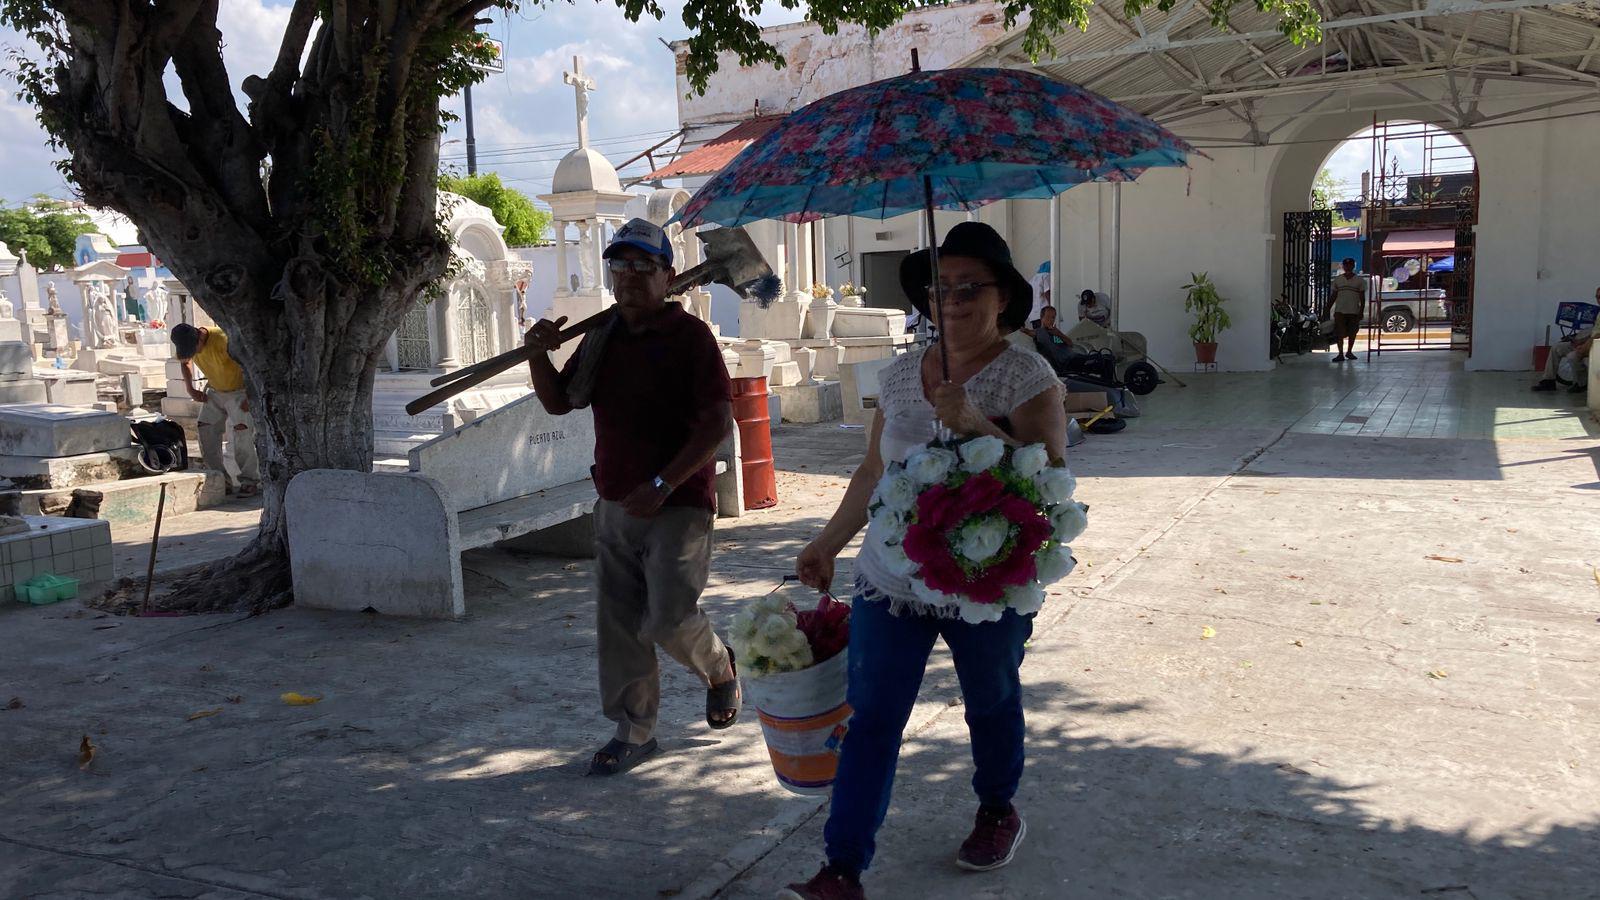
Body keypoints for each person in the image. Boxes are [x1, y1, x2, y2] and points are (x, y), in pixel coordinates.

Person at [783, 222, 1068, 900]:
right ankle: (841, 868)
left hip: (986, 579)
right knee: (872, 716)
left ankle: (998, 806)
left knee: (989, 701)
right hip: (893, 576)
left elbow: (1053, 481)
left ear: (1004, 298)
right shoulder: (902, 373)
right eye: (942, 288)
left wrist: (977, 424)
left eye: (971, 288)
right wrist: (826, 541)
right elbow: (873, 470)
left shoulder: (1029, 376)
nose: (954, 301)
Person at [523, 218, 741, 777]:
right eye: (621, 265)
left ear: (669, 275)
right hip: (615, 501)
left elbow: (717, 422)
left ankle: (718, 667)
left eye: (645, 265)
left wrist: (664, 483)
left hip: (680, 502)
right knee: (620, 624)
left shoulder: (691, 338)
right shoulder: (601, 336)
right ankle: (636, 730)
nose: (632, 276)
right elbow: (559, 403)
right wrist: (536, 354)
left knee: (668, 620)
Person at [171, 323, 260, 497]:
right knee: (205, 429)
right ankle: (219, 479)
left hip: (240, 391)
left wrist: (252, 395)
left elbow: (250, 365)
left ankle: (249, 481)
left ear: (200, 337)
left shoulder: (223, 339)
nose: (194, 354)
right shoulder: (188, 343)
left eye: (194, 350)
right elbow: (185, 362)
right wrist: (190, 389)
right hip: (214, 391)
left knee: (242, 433)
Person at [1534, 286, 1597, 393]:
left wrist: (1583, 345)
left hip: (1594, 346)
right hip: (1587, 341)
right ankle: (1549, 380)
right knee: (1556, 348)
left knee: (1573, 356)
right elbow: (1593, 332)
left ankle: (1581, 384)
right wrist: (1579, 340)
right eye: (1597, 297)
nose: (1599, 299)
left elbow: (1597, 336)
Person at [1328, 258, 1367, 361]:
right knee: (1339, 333)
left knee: (1352, 332)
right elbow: (1334, 295)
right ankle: (1340, 353)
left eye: (1350, 265)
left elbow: (1362, 298)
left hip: (1354, 311)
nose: (1348, 266)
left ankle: (1349, 352)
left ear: (1353, 266)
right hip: (1340, 311)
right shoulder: (1338, 280)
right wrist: (1327, 308)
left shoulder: (1360, 281)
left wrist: (1361, 311)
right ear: (1343, 266)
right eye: (1346, 265)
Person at [1032, 305, 1085, 375]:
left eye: (1053, 317)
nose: (1051, 320)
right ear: (1042, 318)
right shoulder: (1040, 332)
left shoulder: (1053, 333)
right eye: (1048, 317)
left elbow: (1070, 344)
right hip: (1068, 362)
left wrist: (1058, 333)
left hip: (1074, 357)